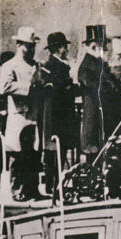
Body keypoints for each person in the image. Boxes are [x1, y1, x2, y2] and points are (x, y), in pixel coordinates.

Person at [0, 26, 42, 202]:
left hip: (34, 116)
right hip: (19, 116)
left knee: (33, 154)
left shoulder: (36, 65)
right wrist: (28, 88)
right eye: (27, 46)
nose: (30, 50)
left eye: (32, 46)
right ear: (18, 45)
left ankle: (33, 189)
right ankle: (17, 190)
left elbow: (39, 84)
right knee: (17, 156)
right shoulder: (10, 66)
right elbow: (4, 87)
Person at [78, 24, 121, 158]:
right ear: (94, 47)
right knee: (96, 161)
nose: (106, 50)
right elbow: (97, 88)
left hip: (104, 122)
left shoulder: (99, 65)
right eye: (103, 47)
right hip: (95, 124)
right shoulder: (87, 67)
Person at [40, 31, 77, 193]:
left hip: (60, 113)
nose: (65, 49)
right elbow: (54, 89)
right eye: (63, 47)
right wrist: (69, 86)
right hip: (56, 114)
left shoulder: (58, 65)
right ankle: (53, 186)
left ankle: (54, 185)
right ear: (56, 48)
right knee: (55, 150)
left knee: (56, 150)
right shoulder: (51, 66)